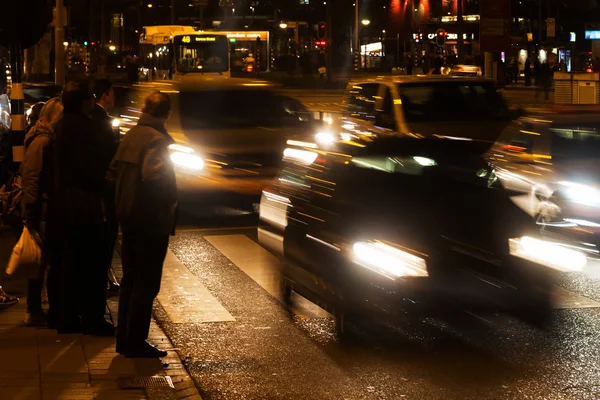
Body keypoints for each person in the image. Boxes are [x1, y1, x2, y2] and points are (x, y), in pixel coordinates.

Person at [107, 92, 177, 358]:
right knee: (146, 283)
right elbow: (156, 178)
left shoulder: (131, 137)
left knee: (130, 279)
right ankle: (135, 342)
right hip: (149, 220)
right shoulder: (154, 140)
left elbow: (112, 174)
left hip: (129, 217)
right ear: (166, 114)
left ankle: (123, 340)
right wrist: (169, 202)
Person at [53, 80, 114, 336]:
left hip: (69, 201)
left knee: (73, 260)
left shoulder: (63, 125)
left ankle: (68, 315)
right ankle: (92, 318)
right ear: (83, 102)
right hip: (84, 201)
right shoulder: (81, 128)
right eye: (90, 97)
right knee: (92, 261)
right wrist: (105, 185)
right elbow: (89, 167)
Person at [20, 98, 64, 327]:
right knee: (40, 260)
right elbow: (33, 178)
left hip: (44, 207)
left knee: (43, 259)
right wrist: (31, 213)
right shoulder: (43, 141)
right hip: (42, 208)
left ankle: (36, 308)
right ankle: (33, 309)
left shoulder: (45, 138)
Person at [91, 79, 120, 294]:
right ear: (105, 95)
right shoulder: (102, 121)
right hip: (102, 191)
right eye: (112, 93)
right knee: (106, 236)